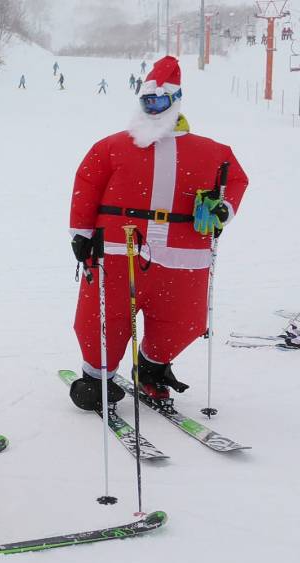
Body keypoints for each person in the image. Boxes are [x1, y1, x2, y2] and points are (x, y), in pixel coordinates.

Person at [67, 56, 248, 410]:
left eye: (159, 101)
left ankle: (152, 366)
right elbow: (86, 183)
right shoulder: (111, 146)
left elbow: (235, 180)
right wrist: (81, 232)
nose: (152, 109)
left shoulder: (214, 152)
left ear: (175, 100)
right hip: (119, 248)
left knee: (182, 318)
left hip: (185, 254)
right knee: (104, 317)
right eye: (146, 101)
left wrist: (222, 208)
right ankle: (96, 377)